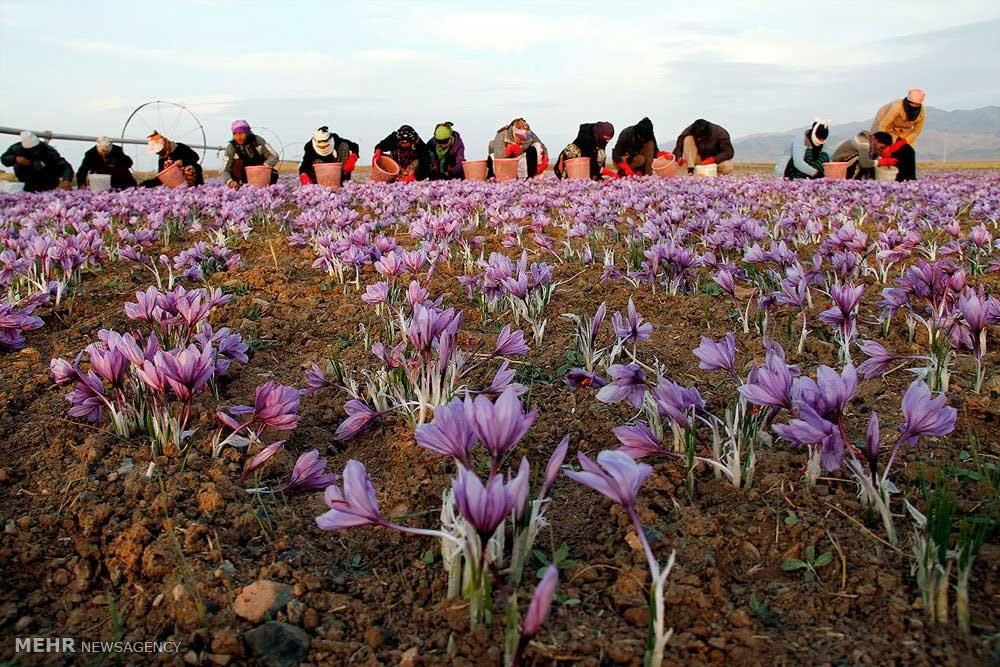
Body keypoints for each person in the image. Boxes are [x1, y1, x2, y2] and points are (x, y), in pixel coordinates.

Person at [1, 131, 73, 192]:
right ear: (24, 148)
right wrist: (15, 159)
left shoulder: (48, 150)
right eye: (32, 150)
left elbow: (65, 166)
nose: (35, 152)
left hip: (48, 184)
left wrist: (66, 180)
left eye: (36, 149)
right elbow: (4, 159)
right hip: (26, 183)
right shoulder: (16, 149)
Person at [222, 120, 279, 188]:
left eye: (241, 133)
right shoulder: (231, 147)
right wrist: (230, 181)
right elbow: (225, 170)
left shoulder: (258, 141)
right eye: (235, 134)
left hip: (261, 175)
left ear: (247, 132)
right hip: (242, 179)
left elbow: (274, 155)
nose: (238, 137)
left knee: (274, 174)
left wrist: (262, 167)